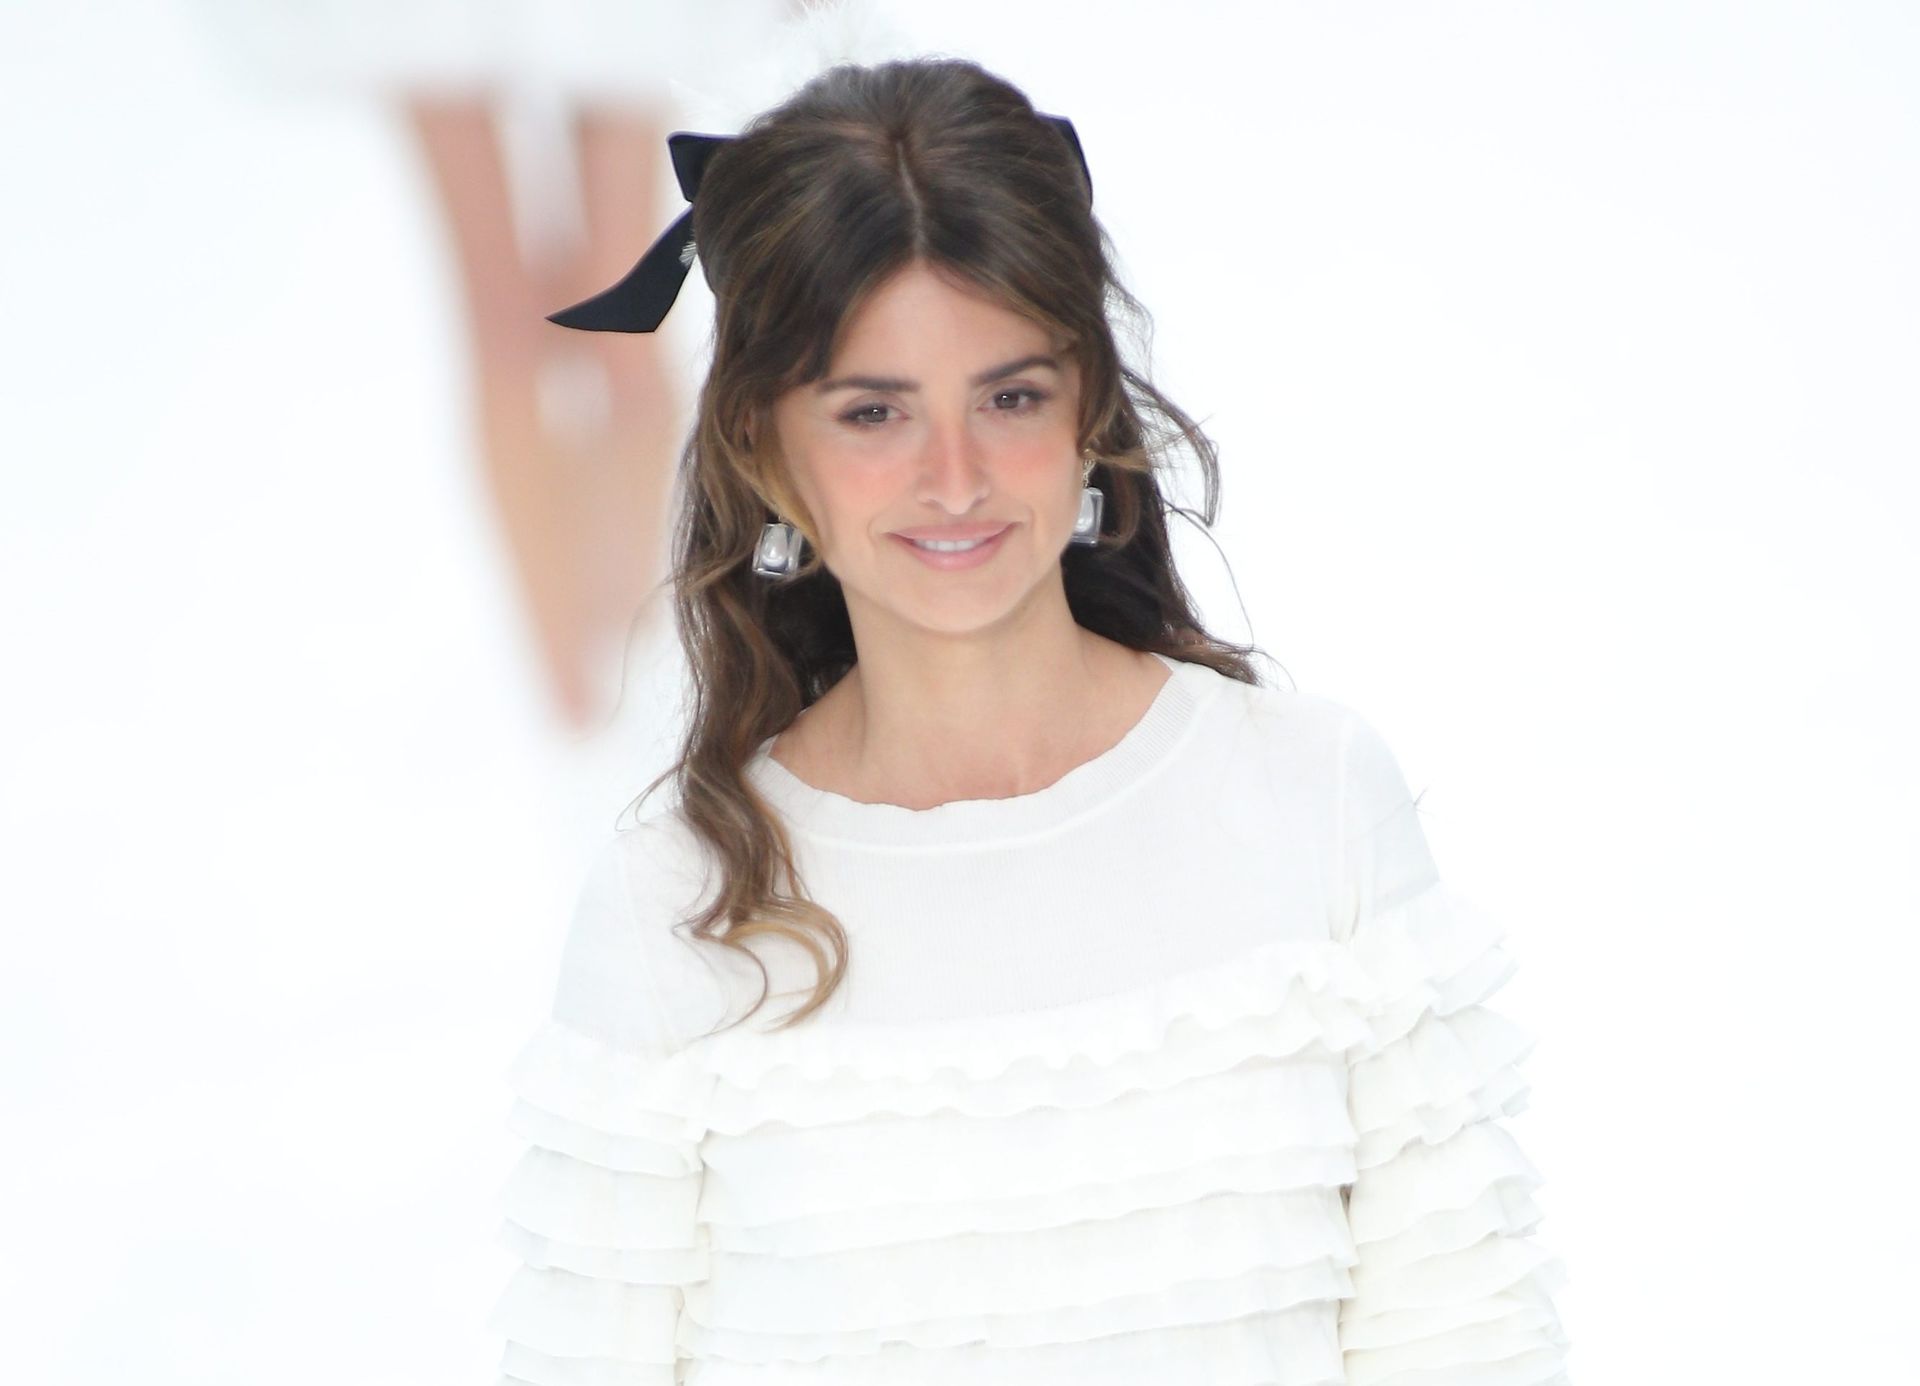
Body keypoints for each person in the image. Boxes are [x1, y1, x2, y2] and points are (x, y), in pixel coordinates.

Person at [487, 57, 1572, 1385]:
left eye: (1009, 397)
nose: (955, 478)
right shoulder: (679, 901)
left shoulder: (1312, 800)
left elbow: (1466, 1341)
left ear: (1089, 407)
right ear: (766, 451)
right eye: (874, 411)